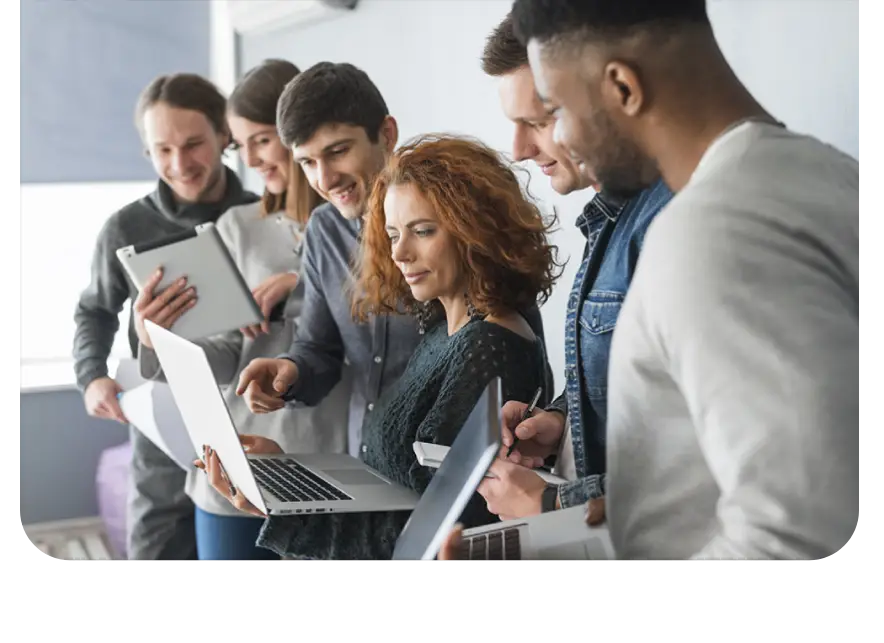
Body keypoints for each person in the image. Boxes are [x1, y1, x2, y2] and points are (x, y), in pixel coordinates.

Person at [512, 0, 863, 563]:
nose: (559, 138)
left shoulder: (716, 232)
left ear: (623, 87)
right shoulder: (828, 174)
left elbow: (802, 536)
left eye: (554, 110)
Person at [203, 133, 558, 564]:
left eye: (423, 231)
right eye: (392, 234)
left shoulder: (487, 347)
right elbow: (400, 486)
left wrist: (284, 510)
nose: (400, 254)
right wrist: (288, 473)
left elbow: (434, 537)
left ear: (476, 232)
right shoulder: (443, 327)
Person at [228, 61, 553, 462]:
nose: (325, 180)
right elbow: (318, 346)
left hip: (447, 475)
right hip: (368, 460)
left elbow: (510, 357)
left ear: (386, 134)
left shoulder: (458, 223)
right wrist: (288, 372)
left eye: (338, 152)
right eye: (308, 163)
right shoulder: (324, 231)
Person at [132, 59, 352, 566]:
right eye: (240, 144)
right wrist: (157, 339)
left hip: (333, 458)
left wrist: (303, 281)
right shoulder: (236, 226)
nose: (250, 161)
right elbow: (228, 354)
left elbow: (381, 318)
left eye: (260, 140)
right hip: (239, 459)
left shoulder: (352, 223)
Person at [474, 12, 673, 523]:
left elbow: (697, 464)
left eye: (539, 120)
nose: (518, 150)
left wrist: (550, 502)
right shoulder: (608, 218)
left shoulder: (673, 224)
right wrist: (562, 421)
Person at [72, 72, 260, 565]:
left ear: (224, 136)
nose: (180, 164)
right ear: (148, 153)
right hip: (161, 430)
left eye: (194, 144)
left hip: (246, 421)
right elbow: (93, 311)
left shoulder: (261, 217)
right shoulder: (125, 227)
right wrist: (92, 377)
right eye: (163, 150)